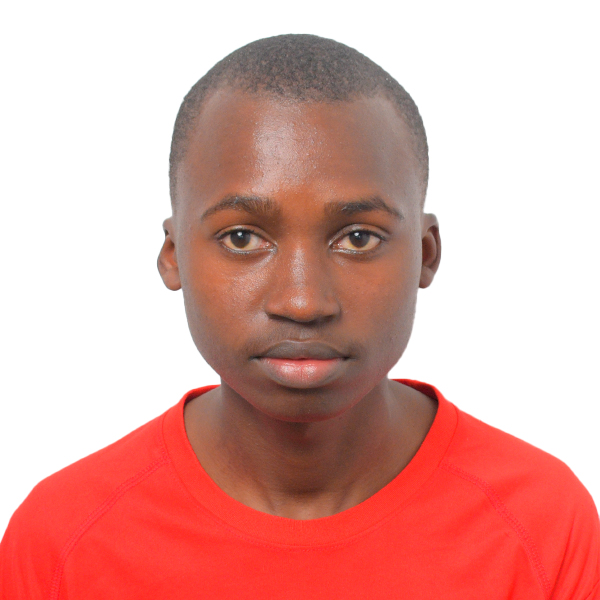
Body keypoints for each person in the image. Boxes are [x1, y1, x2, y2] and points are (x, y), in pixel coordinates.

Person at [1, 33, 598, 600]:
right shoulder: (63, 540)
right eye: (242, 238)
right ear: (174, 255)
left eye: (358, 238)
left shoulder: (542, 525)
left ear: (425, 254)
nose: (303, 302)